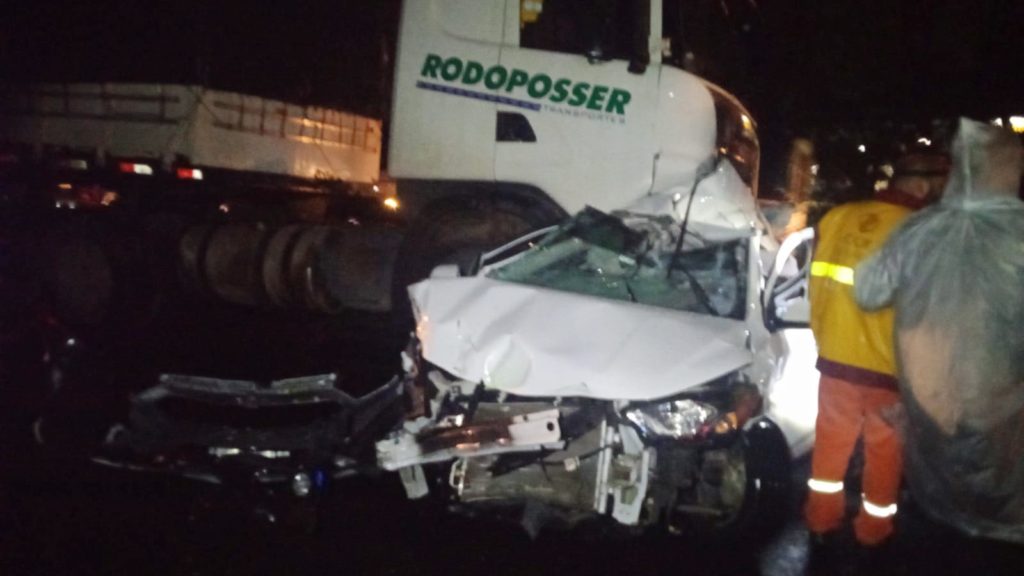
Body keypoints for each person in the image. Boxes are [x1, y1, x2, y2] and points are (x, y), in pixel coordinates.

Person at [856, 118, 1024, 544]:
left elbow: (868, 291)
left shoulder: (918, 229)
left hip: (932, 408)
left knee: (941, 521)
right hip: (1001, 410)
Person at [804, 149, 948, 547]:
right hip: (890, 367)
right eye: (939, 186)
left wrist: (825, 340)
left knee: (829, 450)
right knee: (884, 454)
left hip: (836, 358)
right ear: (922, 185)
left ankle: (820, 523)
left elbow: (817, 285)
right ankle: (873, 533)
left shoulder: (837, 217)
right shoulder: (924, 231)